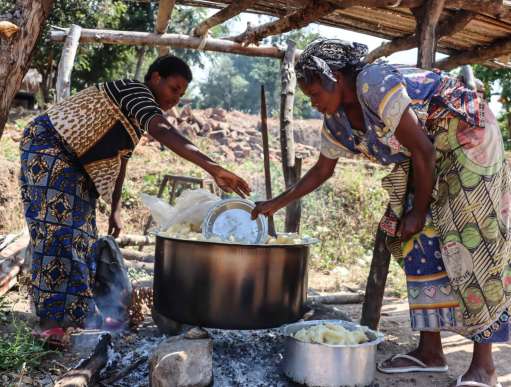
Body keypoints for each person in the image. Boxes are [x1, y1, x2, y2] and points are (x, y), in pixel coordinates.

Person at [251, 39, 510, 387]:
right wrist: (274, 204)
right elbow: (322, 171)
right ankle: (430, 351)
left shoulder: (372, 83)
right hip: (429, 159)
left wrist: (418, 212)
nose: (313, 103)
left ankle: (484, 366)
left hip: (467, 139)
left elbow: (422, 149)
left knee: (474, 240)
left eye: (314, 93)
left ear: (337, 77)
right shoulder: (337, 123)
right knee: (415, 240)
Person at [20, 54, 250, 345]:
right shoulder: (134, 92)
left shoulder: (134, 119)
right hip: (49, 147)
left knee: (82, 238)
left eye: (181, 93)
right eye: (173, 88)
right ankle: (50, 322)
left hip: (77, 164)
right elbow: (162, 129)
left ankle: (75, 317)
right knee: (58, 231)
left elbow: (121, 161)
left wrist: (115, 209)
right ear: (155, 77)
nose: (176, 98)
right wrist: (212, 167)